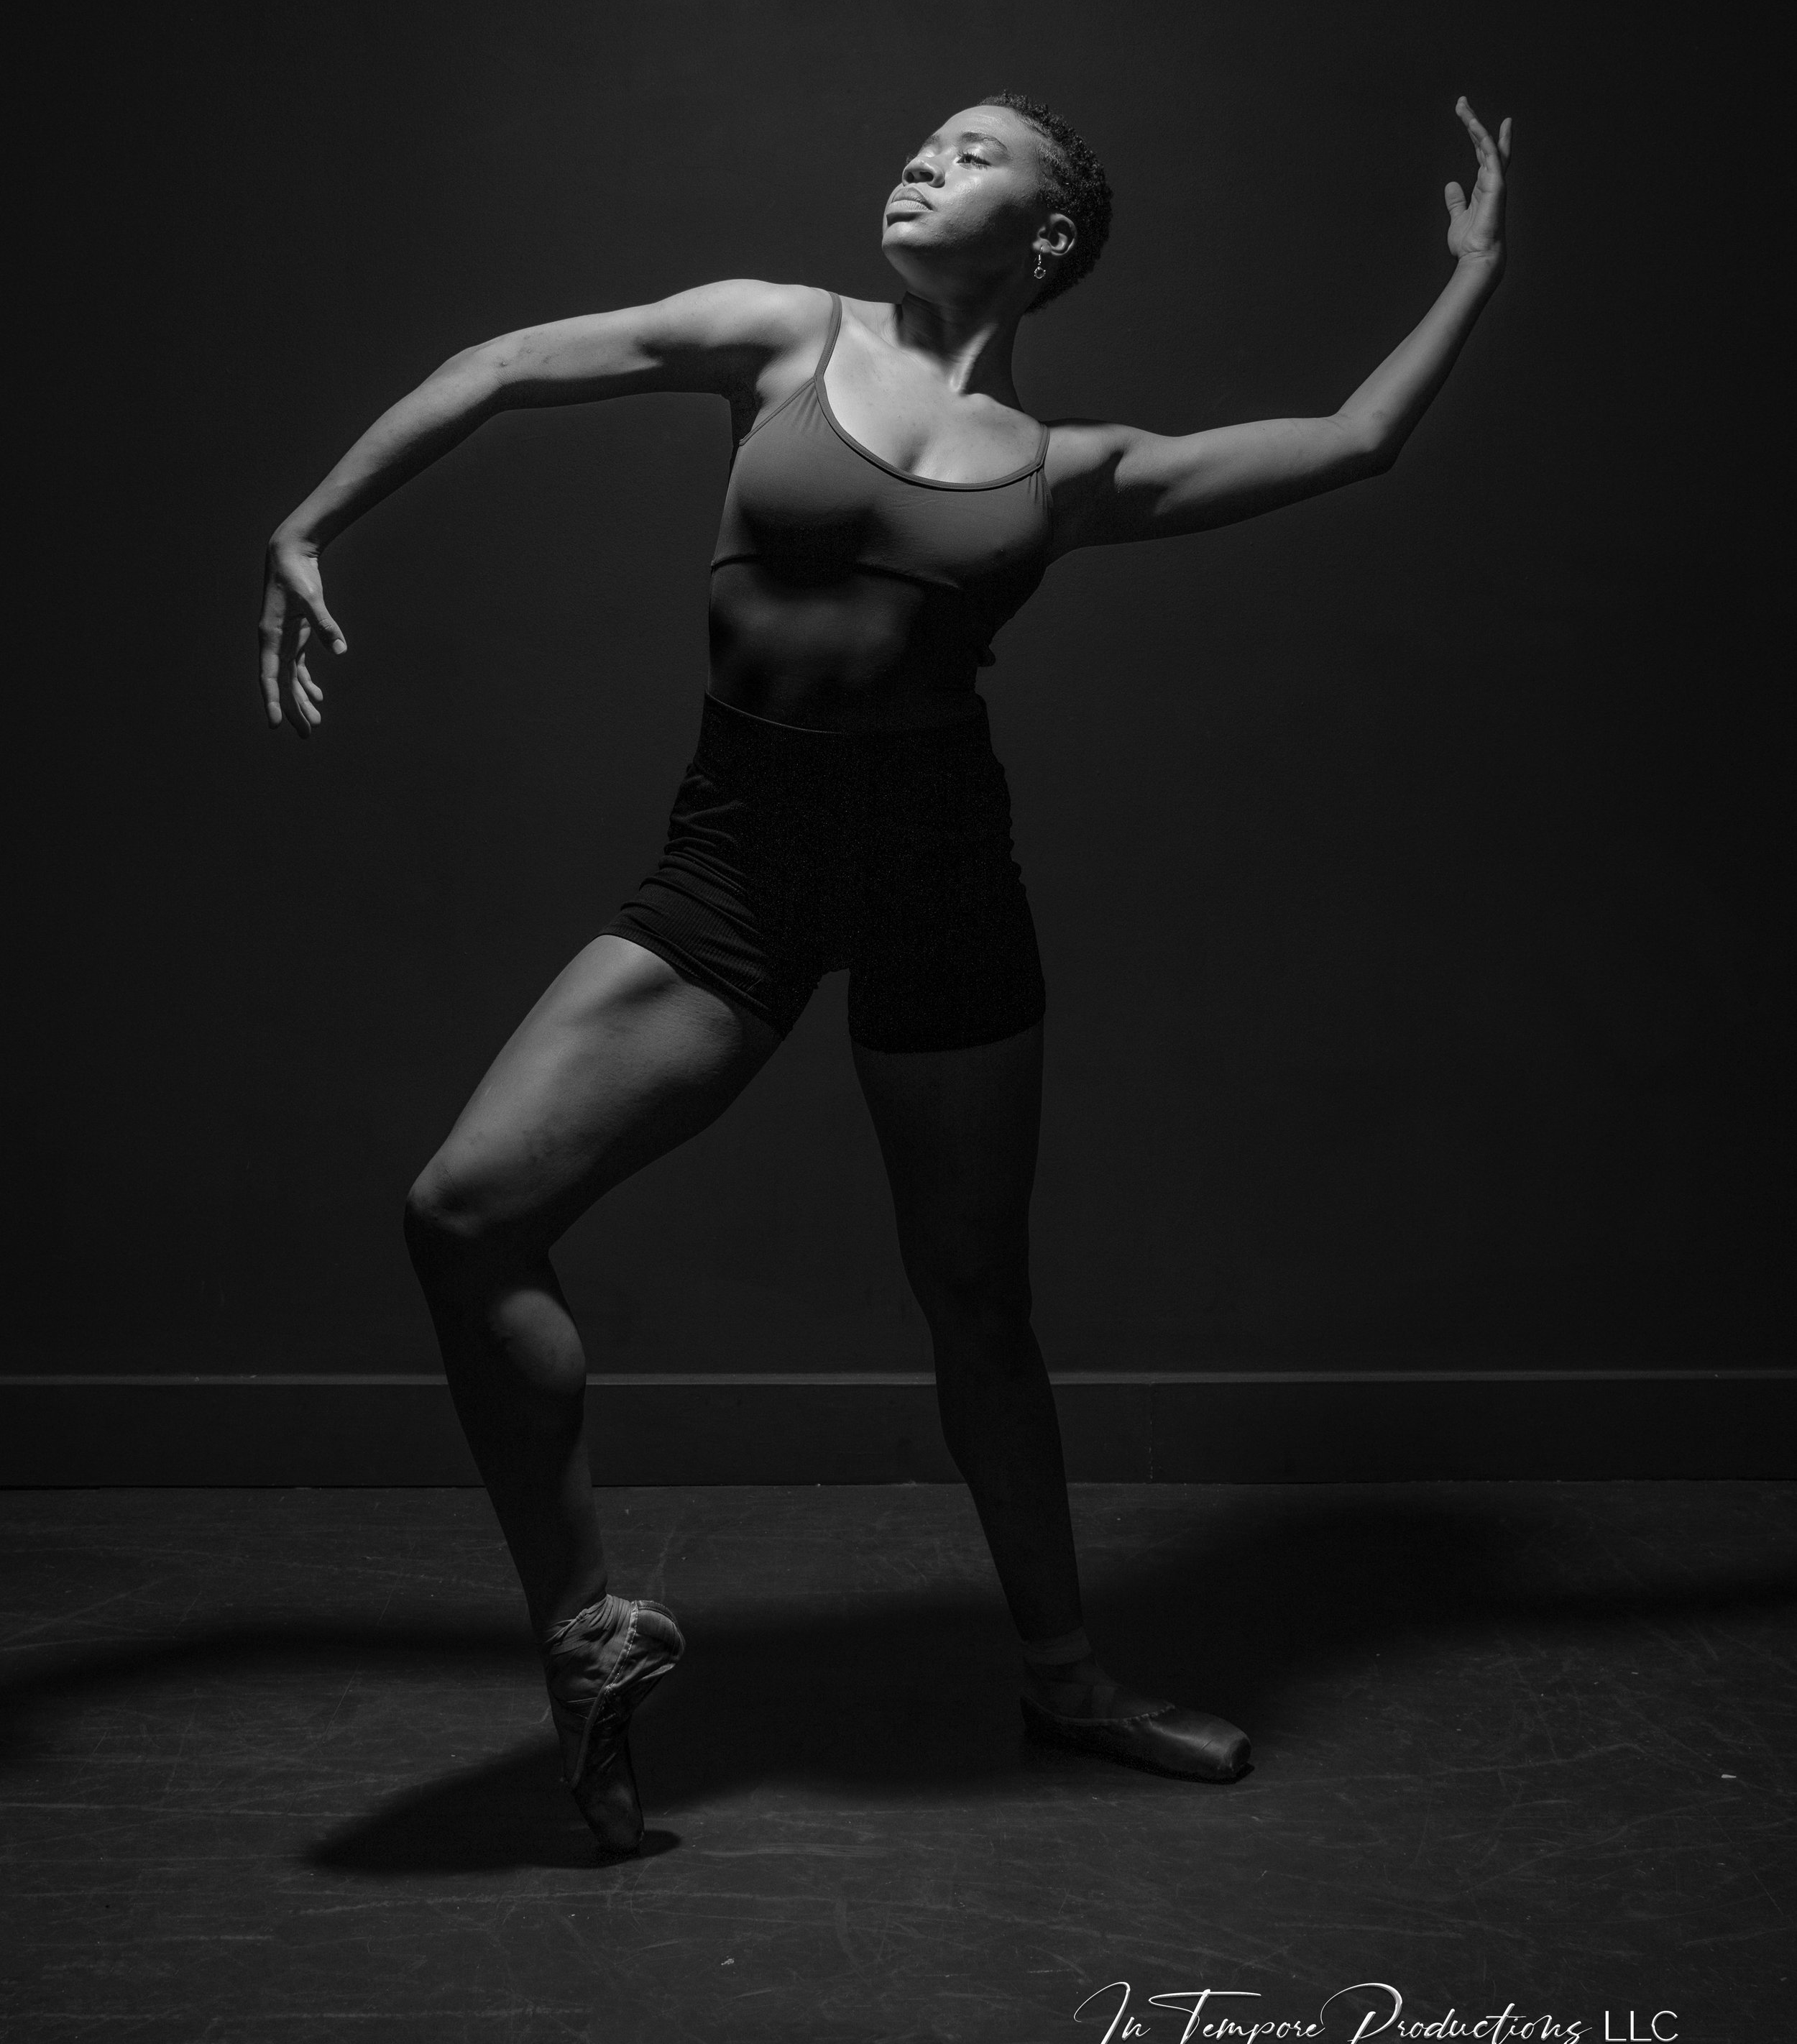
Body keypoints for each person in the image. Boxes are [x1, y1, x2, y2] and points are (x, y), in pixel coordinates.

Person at [259, 88, 1511, 1851]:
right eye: (925, 139)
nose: (925, 158)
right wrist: (311, 521)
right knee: (464, 1214)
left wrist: (1470, 267)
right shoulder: (782, 334)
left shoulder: (1070, 471)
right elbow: (503, 363)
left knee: (976, 1300)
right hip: (741, 861)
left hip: (940, 870)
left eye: (975, 151)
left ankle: (1067, 1678)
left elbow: (1354, 438)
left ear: (1048, 235)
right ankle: (587, 1637)